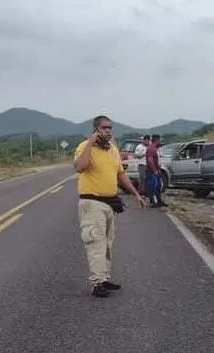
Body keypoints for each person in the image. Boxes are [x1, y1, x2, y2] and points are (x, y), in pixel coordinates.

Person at [74, 115, 146, 297]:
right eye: (104, 128)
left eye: (110, 128)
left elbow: (120, 175)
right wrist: (90, 143)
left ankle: (103, 277)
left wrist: (136, 194)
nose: (108, 131)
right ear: (96, 129)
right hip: (92, 202)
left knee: (107, 243)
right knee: (95, 242)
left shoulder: (112, 149)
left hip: (109, 203)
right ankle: (97, 283)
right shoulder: (85, 147)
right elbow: (80, 167)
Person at [146, 134, 167, 208]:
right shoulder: (151, 148)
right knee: (153, 187)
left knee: (158, 186)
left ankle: (159, 201)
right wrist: (154, 170)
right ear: (157, 140)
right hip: (152, 171)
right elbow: (150, 160)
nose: (160, 141)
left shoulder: (155, 148)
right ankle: (153, 202)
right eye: (159, 140)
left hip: (157, 170)